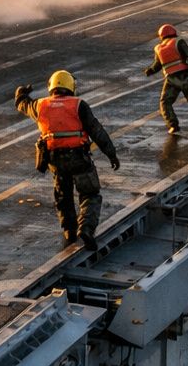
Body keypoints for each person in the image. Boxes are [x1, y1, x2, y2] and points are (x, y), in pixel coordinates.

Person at [14, 70, 120, 249]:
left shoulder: (41, 105)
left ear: (52, 87)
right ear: (70, 86)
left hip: (55, 160)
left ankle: (69, 231)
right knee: (90, 194)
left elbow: (22, 104)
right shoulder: (79, 105)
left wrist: (21, 93)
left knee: (63, 196)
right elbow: (97, 131)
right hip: (79, 158)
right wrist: (111, 154)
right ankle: (86, 228)